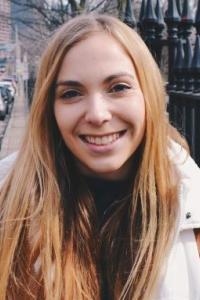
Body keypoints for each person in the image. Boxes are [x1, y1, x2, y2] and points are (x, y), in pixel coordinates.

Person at [0, 13, 200, 300]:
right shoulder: (7, 207)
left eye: (118, 88)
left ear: (149, 95)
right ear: (49, 109)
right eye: (71, 93)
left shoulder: (192, 211)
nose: (97, 114)